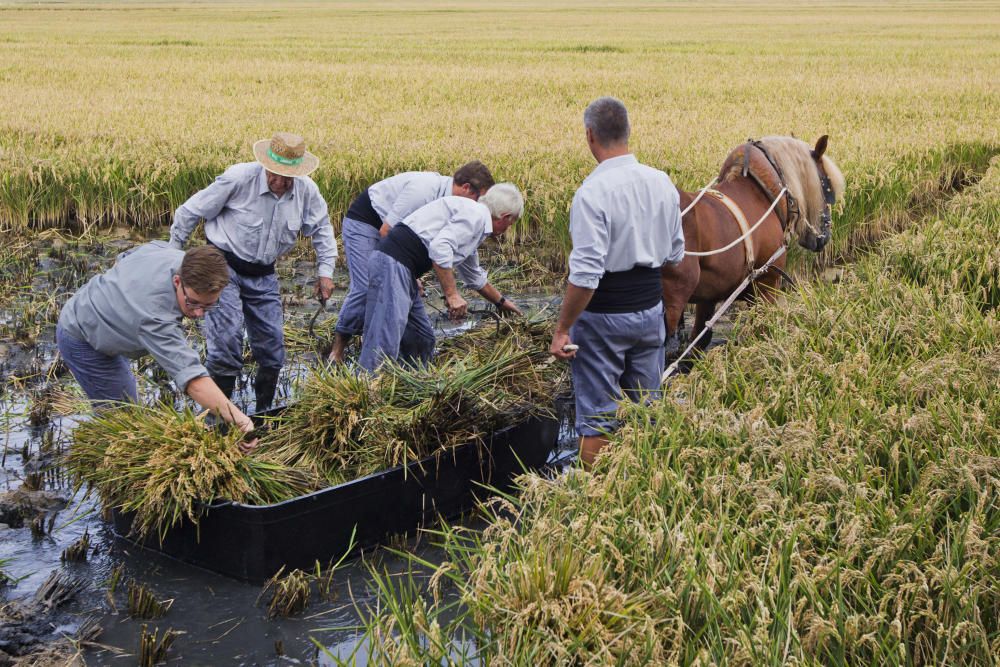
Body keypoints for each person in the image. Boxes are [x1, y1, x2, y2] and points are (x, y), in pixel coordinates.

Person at [549, 97, 685, 468]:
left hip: (603, 318)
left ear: (590, 136)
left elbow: (586, 274)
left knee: (597, 417)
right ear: (627, 133)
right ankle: (646, 484)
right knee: (646, 409)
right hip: (650, 313)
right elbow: (675, 254)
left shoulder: (591, 193)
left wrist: (562, 329)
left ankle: (596, 502)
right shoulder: (662, 182)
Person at [169, 132, 337, 412]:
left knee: (272, 350)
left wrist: (325, 272)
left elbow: (322, 229)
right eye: (275, 175)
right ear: (265, 165)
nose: (280, 183)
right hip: (222, 265)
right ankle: (217, 420)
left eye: (288, 177)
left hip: (263, 273)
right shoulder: (238, 179)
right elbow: (190, 211)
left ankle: (263, 414)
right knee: (226, 343)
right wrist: (173, 256)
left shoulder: (307, 191)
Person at [56, 242, 257, 444]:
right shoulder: (154, 316)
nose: (198, 314)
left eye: (208, 306)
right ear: (177, 281)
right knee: (123, 422)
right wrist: (240, 420)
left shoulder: (181, 259)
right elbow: (192, 379)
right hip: (81, 336)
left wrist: (122, 297)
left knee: (127, 409)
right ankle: (102, 462)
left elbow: (129, 254)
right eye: (193, 303)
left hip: (103, 314)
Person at [329, 162, 495, 363]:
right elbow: (387, 231)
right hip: (366, 223)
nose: (478, 206)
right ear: (466, 188)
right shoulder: (424, 189)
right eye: (479, 199)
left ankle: (395, 354)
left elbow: (456, 259)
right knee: (366, 288)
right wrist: (405, 274)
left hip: (393, 241)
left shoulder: (456, 207)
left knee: (396, 295)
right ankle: (337, 352)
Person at [359, 183, 525, 372]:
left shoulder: (475, 220)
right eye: (511, 224)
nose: (508, 228)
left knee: (422, 339)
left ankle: (410, 384)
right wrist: (452, 295)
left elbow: (474, 275)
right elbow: (440, 249)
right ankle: (368, 389)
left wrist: (501, 302)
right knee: (383, 340)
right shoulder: (475, 216)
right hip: (393, 263)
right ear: (505, 217)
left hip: (403, 269)